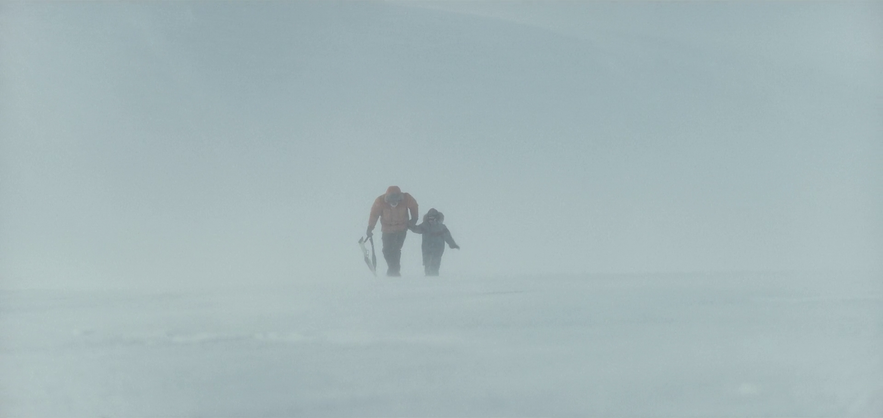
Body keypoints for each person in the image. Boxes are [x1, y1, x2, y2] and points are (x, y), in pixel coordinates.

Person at [367, 186, 418, 277]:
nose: (394, 203)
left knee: (395, 249)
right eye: (391, 201)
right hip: (387, 230)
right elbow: (374, 214)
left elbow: (414, 206)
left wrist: (414, 219)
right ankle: (393, 268)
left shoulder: (406, 198)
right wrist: (370, 227)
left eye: (396, 201)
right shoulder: (380, 201)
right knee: (386, 250)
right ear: (387, 199)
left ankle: (394, 271)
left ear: (399, 198)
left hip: (401, 229)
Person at [409, 208, 459, 276]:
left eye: (432, 219)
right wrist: (410, 226)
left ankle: (434, 276)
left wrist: (452, 244)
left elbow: (447, 237)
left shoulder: (441, 227)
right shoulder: (424, 225)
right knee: (427, 262)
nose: (431, 221)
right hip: (426, 248)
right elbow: (417, 229)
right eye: (429, 219)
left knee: (435, 262)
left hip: (438, 248)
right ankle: (427, 276)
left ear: (436, 218)